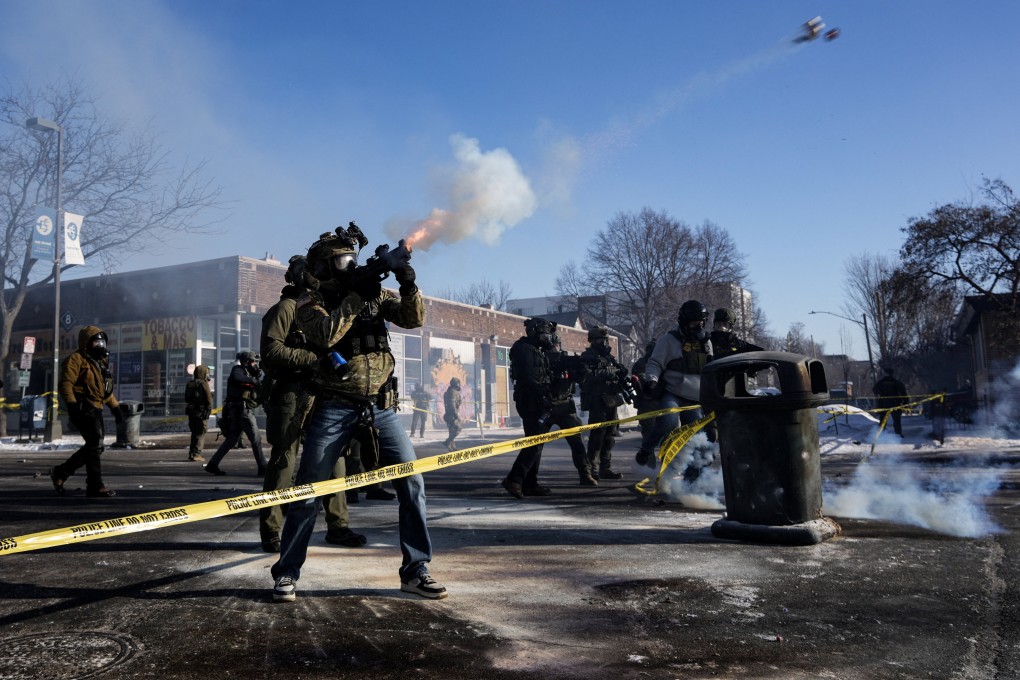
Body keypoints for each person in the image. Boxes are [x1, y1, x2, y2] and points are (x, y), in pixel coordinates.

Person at [271, 225, 446, 602]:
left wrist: (408, 283)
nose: (349, 265)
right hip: (334, 406)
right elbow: (324, 335)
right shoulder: (309, 301)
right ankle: (286, 573)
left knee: (412, 485)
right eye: (342, 260)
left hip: (380, 406)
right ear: (325, 265)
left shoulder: (374, 294)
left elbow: (413, 319)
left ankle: (416, 569)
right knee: (309, 492)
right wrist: (354, 297)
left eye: (352, 259)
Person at [258, 255, 366, 553]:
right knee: (283, 462)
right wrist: (313, 360)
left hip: (322, 393)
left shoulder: (320, 310)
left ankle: (338, 525)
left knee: (334, 460)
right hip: (290, 394)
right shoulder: (286, 309)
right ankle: (271, 530)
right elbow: (270, 351)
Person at [635, 300, 713, 468]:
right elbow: (654, 363)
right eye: (694, 324)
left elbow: (711, 370)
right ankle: (646, 450)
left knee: (696, 437)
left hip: (695, 398)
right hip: (673, 393)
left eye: (701, 323)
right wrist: (652, 380)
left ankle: (692, 479)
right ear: (684, 323)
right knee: (668, 421)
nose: (698, 328)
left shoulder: (707, 343)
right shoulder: (668, 341)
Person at [50, 325, 122, 498]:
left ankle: (65, 474)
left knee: (94, 446)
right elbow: (66, 384)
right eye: (96, 341)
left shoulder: (99, 362)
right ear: (87, 342)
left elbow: (104, 390)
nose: (100, 345)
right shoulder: (76, 359)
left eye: (102, 341)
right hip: (83, 407)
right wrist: (73, 405)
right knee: (95, 444)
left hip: (96, 407)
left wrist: (115, 407)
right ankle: (93, 484)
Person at [502, 317, 555, 499]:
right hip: (530, 401)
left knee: (537, 443)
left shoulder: (536, 350)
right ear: (534, 332)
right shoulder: (523, 349)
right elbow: (528, 378)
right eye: (544, 333)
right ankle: (514, 479)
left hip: (538, 401)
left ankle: (530, 483)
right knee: (533, 443)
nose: (547, 337)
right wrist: (542, 395)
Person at [546, 332, 598, 485]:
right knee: (535, 445)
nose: (555, 350)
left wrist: (582, 370)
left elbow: (579, 379)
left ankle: (585, 474)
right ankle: (528, 479)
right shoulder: (540, 361)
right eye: (552, 347)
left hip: (564, 406)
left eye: (556, 346)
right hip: (546, 406)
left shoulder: (566, 361)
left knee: (577, 443)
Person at [205, 352, 267, 476]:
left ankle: (213, 464)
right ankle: (262, 467)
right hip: (242, 411)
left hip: (238, 412)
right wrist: (253, 380)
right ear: (246, 362)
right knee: (256, 439)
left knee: (232, 439)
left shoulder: (246, 372)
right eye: (253, 362)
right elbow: (239, 378)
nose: (255, 365)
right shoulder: (237, 370)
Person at [580, 326, 629, 480]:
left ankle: (605, 468)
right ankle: (593, 469)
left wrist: (620, 371)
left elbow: (615, 373)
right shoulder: (587, 357)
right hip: (596, 400)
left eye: (605, 340)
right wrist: (609, 372)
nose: (603, 342)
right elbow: (587, 377)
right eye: (600, 340)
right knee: (597, 436)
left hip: (611, 400)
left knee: (610, 435)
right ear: (593, 340)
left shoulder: (609, 357)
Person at [184, 365, 213, 461]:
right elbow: (208, 398)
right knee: (201, 432)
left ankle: (192, 453)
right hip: (201, 412)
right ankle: (196, 454)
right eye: (206, 373)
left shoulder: (190, 383)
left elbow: (186, 399)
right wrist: (208, 408)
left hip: (191, 412)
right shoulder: (203, 384)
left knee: (194, 432)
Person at [631, 340, 658, 441]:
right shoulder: (641, 364)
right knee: (649, 434)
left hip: (660, 402)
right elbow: (640, 380)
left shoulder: (660, 363)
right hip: (646, 402)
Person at [873, 367, 909, 436]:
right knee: (897, 420)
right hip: (895, 404)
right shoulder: (896, 382)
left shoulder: (880, 383)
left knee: (883, 420)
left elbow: (874, 390)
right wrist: (905, 403)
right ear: (892, 374)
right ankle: (898, 434)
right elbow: (903, 393)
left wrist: (880, 394)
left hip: (883, 403)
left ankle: (881, 434)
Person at [443, 377, 462, 451]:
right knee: (458, 429)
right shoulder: (452, 392)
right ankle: (447, 442)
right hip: (452, 414)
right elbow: (452, 404)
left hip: (450, 413)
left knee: (451, 430)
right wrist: (455, 414)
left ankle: (452, 446)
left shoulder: (450, 391)